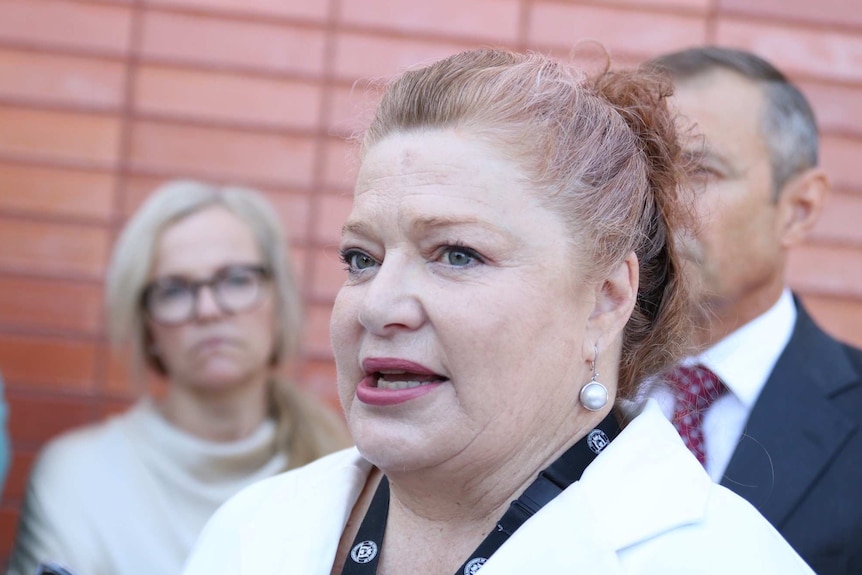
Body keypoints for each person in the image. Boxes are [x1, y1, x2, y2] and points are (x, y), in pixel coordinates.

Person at [181, 48, 814, 574]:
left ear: (606, 299)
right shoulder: (249, 532)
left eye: (456, 254)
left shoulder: (721, 559)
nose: (378, 305)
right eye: (360, 258)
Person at [9, 181, 351, 575]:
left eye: (237, 279)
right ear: (146, 326)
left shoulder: (344, 470)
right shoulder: (76, 479)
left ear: (279, 301)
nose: (207, 310)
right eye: (174, 290)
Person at [645, 46, 862, 574]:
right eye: (647, 165)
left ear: (798, 208)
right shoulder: (549, 385)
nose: (660, 200)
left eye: (700, 169)